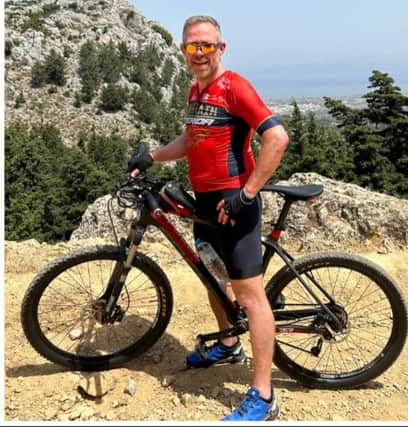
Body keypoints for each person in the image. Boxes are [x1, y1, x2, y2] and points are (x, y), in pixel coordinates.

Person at [128, 16, 289, 421]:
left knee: (251, 298)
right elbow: (191, 140)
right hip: (207, 202)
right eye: (191, 47)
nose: (199, 53)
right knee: (212, 276)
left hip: (234, 205)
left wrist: (247, 192)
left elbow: (277, 137)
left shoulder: (234, 87)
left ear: (221, 48)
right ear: (183, 50)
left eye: (207, 46)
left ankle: (264, 395)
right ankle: (230, 343)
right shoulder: (197, 91)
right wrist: (153, 156)